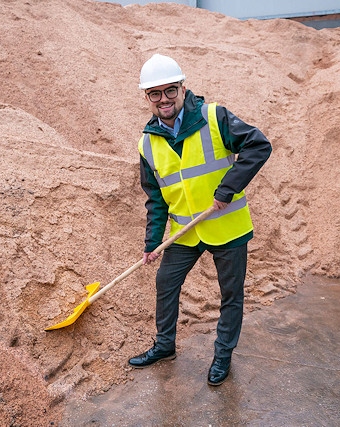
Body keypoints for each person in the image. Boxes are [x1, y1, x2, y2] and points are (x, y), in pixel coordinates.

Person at [128, 53, 272, 386]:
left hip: (227, 228)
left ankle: (223, 357)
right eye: (155, 93)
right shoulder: (147, 144)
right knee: (166, 283)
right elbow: (157, 200)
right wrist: (152, 244)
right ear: (146, 97)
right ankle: (165, 346)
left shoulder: (214, 116)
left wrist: (228, 189)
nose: (163, 99)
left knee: (230, 295)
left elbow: (258, 146)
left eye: (170, 91)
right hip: (185, 233)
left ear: (182, 88)